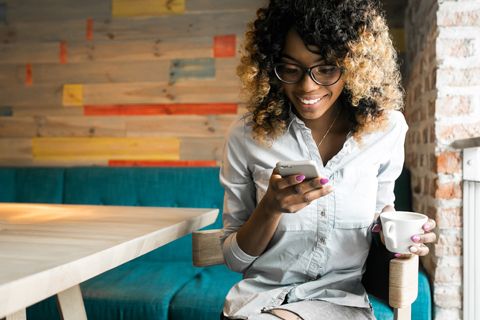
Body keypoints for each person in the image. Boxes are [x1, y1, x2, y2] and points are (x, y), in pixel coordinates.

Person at [219, 0, 437, 319]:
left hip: (339, 300)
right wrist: (270, 208)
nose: (307, 86)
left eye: (326, 69)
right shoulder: (245, 137)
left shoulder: (386, 130)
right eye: (290, 69)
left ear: (354, 65)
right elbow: (234, 260)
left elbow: (380, 213)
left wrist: (402, 238)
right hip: (259, 300)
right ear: (270, 67)